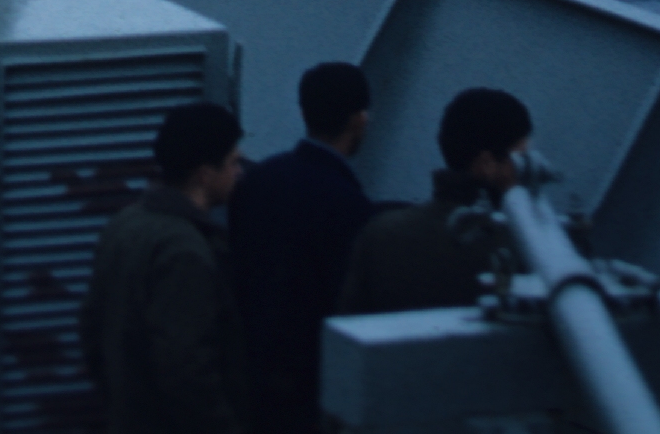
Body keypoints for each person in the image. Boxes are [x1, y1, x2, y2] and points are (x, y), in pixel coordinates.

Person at [80, 100, 251, 434]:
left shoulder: (124, 224)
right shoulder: (184, 250)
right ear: (204, 175)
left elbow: (91, 329)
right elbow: (187, 369)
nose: (239, 173)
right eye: (232, 162)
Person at [228, 62, 377, 434]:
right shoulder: (349, 204)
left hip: (248, 376)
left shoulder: (258, 180)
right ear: (358, 120)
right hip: (307, 390)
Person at [338, 87, 532, 316]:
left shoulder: (380, 235)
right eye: (521, 160)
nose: (528, 172)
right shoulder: (518, 249)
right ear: (487, 164)